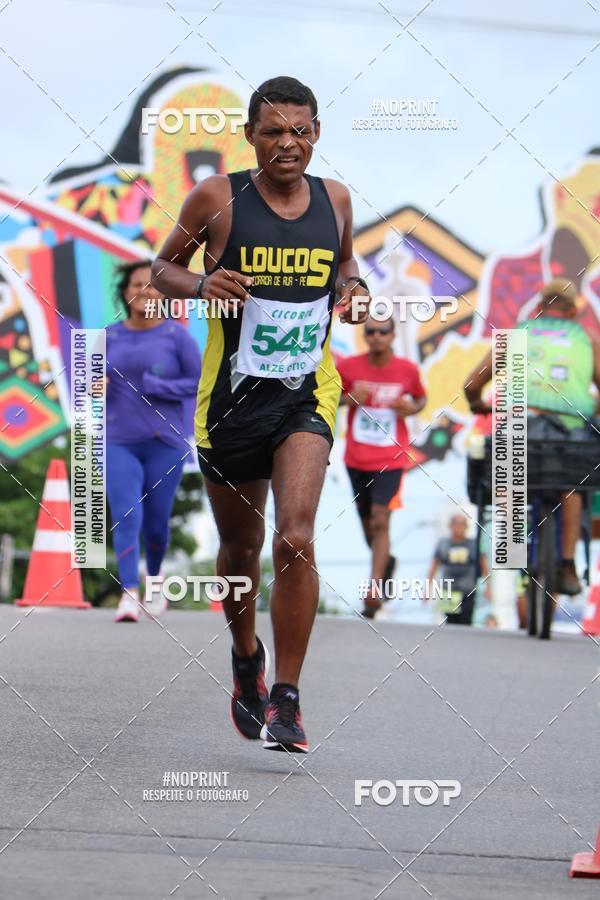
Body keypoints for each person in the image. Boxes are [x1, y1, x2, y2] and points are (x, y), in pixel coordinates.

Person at [152, 76, 369, 753]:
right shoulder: (216, 198)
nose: (287, 144)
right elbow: (160, 270)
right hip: (230, 401)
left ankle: (288, 698)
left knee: (295, 535)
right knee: (241, 548)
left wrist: (356, 288)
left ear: (317, 133)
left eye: (300, 131)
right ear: (249, 135)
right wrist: (201, 283)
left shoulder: (336, 199)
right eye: (273, 131)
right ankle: (247, 657)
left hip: (306, 393)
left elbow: (346, 264)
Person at [464, 277, 600, 595]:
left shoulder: (517, 334)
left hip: (521, 425)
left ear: (538, 308)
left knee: (509, 468)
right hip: (568, 431)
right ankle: (568, 565)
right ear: (573, 312)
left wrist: (477, 405)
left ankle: (514, 545)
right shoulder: (587, 339)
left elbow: (472, 384)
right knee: (572, 484)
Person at [105, 261, 202, 622]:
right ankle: (129, 593)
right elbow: (87, 387)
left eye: (152, 285)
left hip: (166, 441)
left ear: (164, 294)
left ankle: (156, 582)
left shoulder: (177, 336)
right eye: (137, 285)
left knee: (157, 522)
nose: (145, 291)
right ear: (125, 292)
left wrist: (159, 387)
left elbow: (198, 382)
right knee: (126, 512)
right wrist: (95, 387)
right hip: (118, 440)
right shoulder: (108, 336)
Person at [337, 315, 426, 618]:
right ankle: (386, 563)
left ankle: (373, 592)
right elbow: (329, 398)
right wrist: (348, 398)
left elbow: (421, 398)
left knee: (380, 520)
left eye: (382, 332)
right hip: (356, 458)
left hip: (392, 457)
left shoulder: (407, 370)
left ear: (392, 336)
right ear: (365, 336)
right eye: (371, 332)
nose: (376, 336)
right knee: (368, 527)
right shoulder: (349, 367)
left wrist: (412, 408)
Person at [425, 513, 490, 625]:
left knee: (466, 621)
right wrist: (427, 589)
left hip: (468, 590)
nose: (459, 527)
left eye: (462, 524)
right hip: (448, 590)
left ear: (466, 527)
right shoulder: (443, 543)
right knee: (451, 622)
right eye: (456, 524)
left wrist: (488, 587)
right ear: (450, 526)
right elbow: (434, 567)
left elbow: (483, 565)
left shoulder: (473, 544)